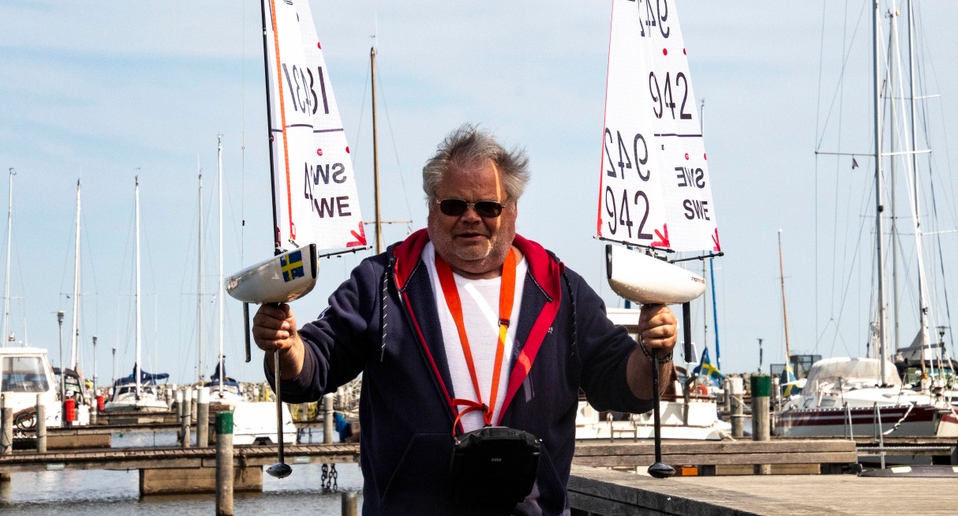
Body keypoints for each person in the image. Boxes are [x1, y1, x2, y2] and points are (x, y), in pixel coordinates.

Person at [253, 124, 678, 515]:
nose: (471, 217)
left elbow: (629, 389)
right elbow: (311, 370)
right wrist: (286, 346)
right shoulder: (382, 284)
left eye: (487, 206)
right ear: (431, 208)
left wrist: (655, 351)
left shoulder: (560, 290)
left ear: (511, 210)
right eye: (454, 204)